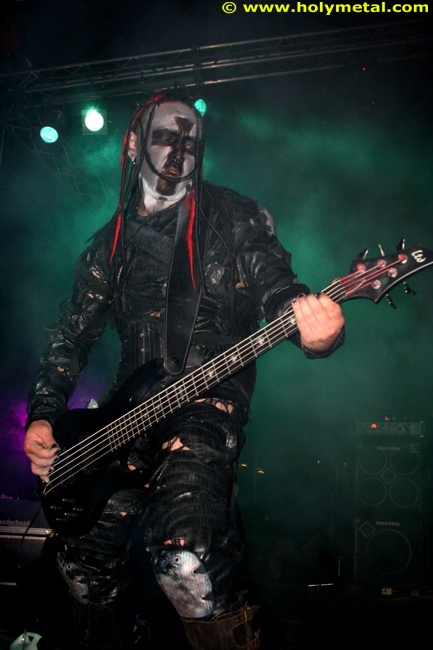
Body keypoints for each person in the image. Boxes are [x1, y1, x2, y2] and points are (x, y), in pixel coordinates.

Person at [23, 89, 345, 649]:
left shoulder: (232, 217)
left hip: (204, 404)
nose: (179, 149)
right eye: (165, 136)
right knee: (84, 569)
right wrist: (43, 415)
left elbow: (277, 287)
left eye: (191, 140)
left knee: (187, 561)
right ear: (133, 145)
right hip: (124, 420)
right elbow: (69, 337)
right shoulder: (108, 244)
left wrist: (316, 328)